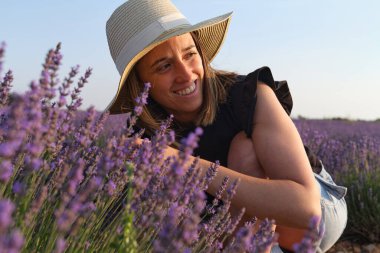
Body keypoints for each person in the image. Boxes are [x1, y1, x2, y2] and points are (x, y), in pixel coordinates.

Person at [105, 0, 348, 252]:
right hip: (242, 230)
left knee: (244, 148)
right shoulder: (142, 136)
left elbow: (306, 210)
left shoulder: (247, 95)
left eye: (190, 54)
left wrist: (180, 162)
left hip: (318, 209)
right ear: (140, 82)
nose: (186, 74)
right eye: (164, 65)